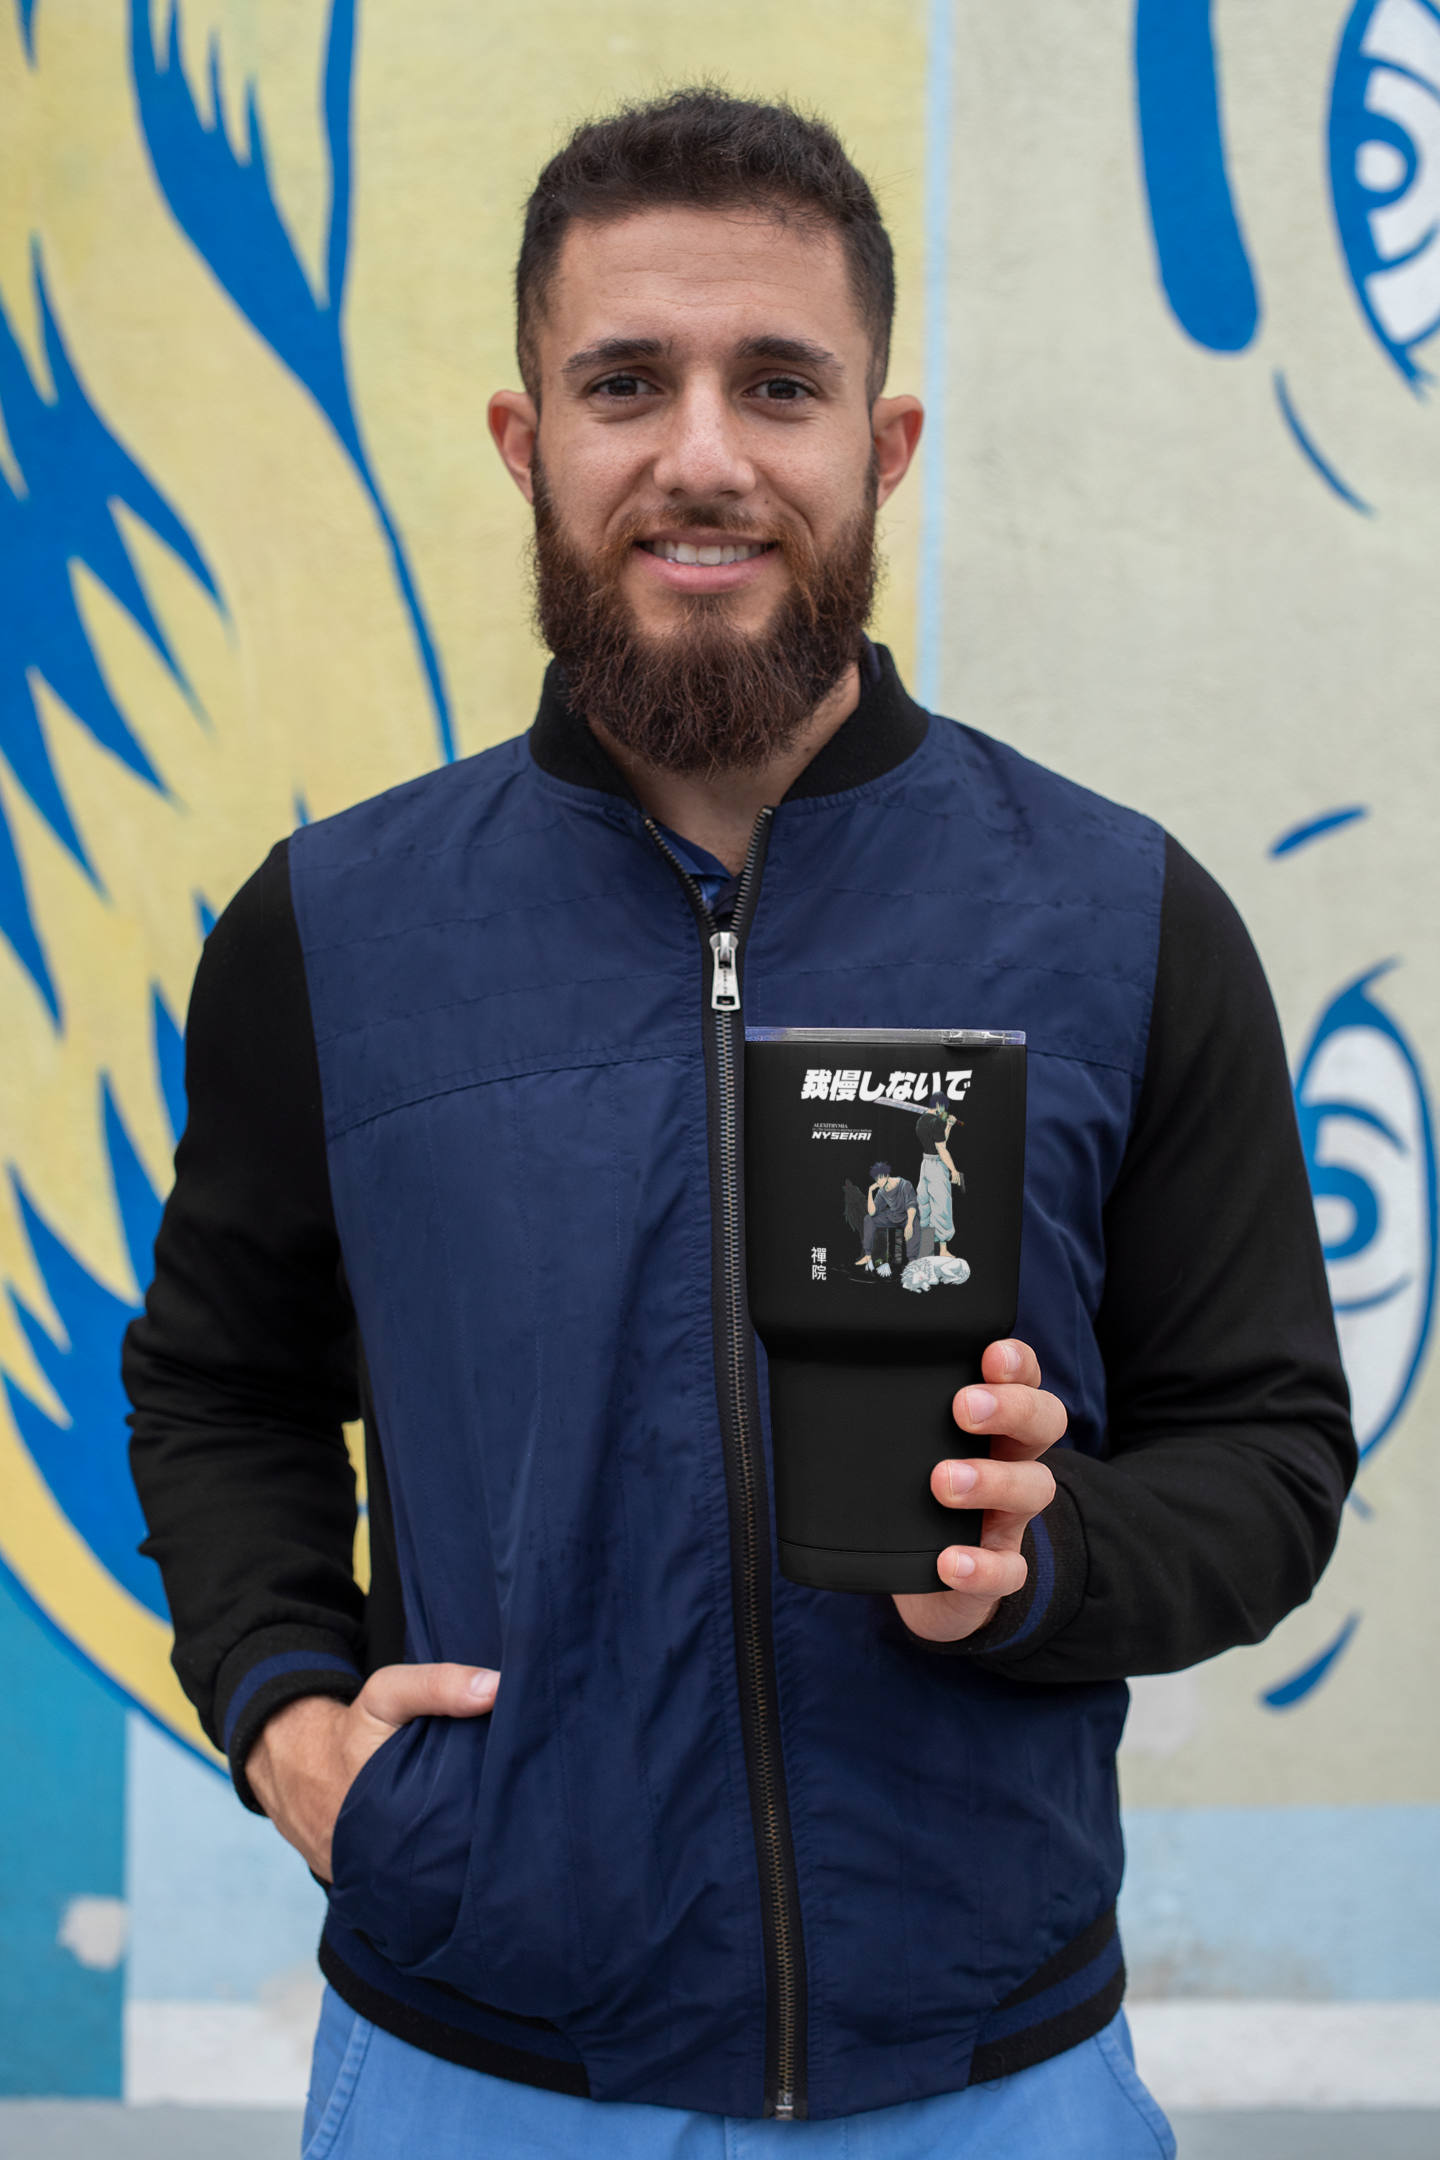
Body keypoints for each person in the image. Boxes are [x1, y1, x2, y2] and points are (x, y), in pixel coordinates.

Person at [124, 89, 1354, 2159]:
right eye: (627, 384)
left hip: (995, 2085)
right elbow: (216, 1385)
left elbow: (1270, 1451)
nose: (702, 454)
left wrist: (1048, 1564)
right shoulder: (330, 935)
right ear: (530, 445)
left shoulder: (1121, 917)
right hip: (474, 2076)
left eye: (777, 384)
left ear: (881, 450)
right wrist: (284, 1712)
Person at [914, 1092, 962, 1257]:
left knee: (924, 1206)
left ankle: (926, 1250)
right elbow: (941, 1149)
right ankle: (943, 1251)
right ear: (940, 1105)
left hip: (925, 1164)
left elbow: (940, 1141)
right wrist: (953, 1170)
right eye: (943, 1107)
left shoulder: (921, 1121)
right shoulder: (936, 1122)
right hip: (936, 1165)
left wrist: (948, 1125)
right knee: (942, 1207)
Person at [858, 1160, 919, 1274]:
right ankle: (868, 1256)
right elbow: (872, 1212)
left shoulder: (904, 1184)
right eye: (876, 1179)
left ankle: (912, 1262)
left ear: (886, 1175)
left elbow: (911, 1204)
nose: (878, 1181)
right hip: (894, 1216)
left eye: (880, 1177)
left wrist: (909, 1223)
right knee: (868, 1219)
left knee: (914, 1221)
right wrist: (870, 1191)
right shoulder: (881, 1191)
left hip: (907, 1216)